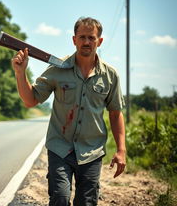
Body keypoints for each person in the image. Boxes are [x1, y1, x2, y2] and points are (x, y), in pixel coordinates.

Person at [11, 17, 126, 206]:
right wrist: (20, 73)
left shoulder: (110, 75)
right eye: (82, 37)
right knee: (60, 198)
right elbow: (31, 100)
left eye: (91, 37)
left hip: (92, 151)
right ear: (74, 40)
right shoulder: (58, 68)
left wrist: (121, 150)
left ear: (100, 41)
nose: (87, 42)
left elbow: (115, 113)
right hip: (60, 148)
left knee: (87, 202)